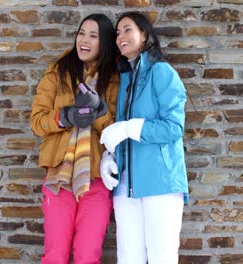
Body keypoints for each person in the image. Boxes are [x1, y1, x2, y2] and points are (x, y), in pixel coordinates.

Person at [99, 12, 189, 264]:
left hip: (160, 183)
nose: (120, 37)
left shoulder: (162, 72)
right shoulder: (125, 79)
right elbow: (120, 130)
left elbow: (173, 128)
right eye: (117, 33)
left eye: (127, 30)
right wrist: (109, 155)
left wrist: (128, 128)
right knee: (128, 258)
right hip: (126, 187)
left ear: (145, 35)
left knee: (162, 257)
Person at [30, 13, 119, 264]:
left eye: (94, 36)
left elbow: (115, 131)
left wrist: (98, 111)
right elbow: (37, 121)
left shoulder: (115, 79)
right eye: (82, 33)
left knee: (87, 255)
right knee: (55, 254)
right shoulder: (57, 73)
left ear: (105, 43)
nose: (84, 40)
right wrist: (65, 116)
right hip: (59, 176)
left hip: (96, 178)